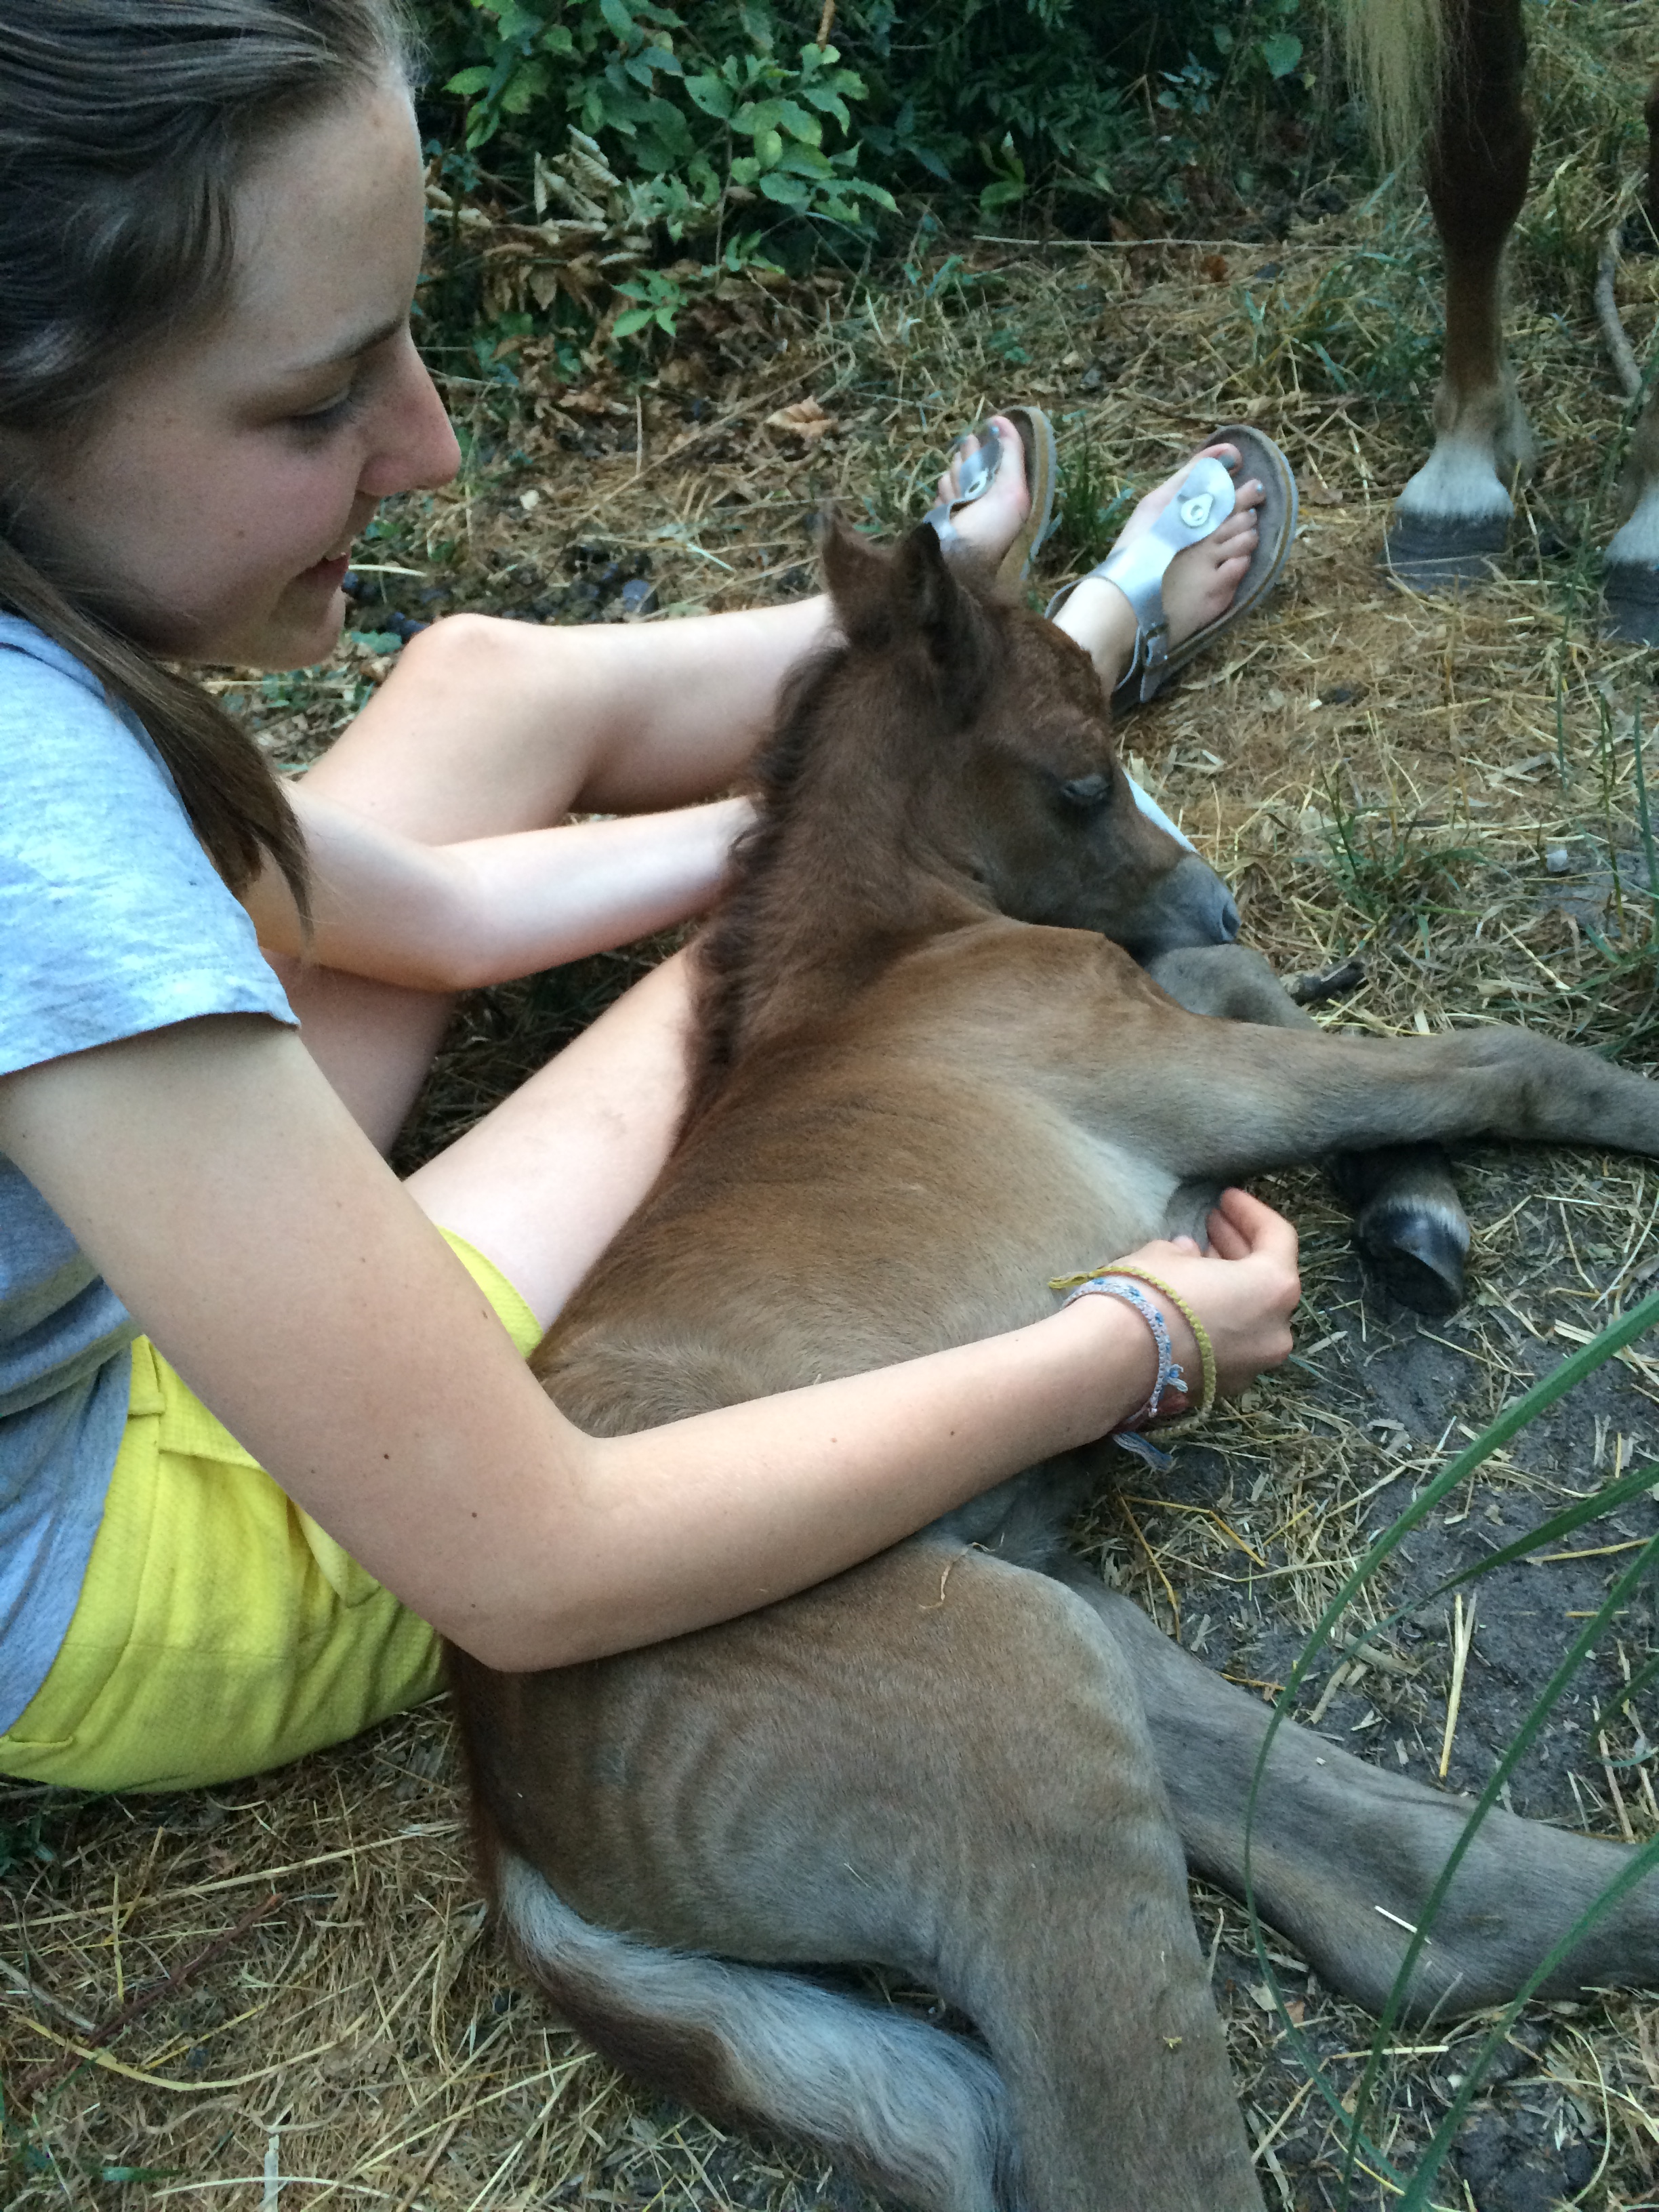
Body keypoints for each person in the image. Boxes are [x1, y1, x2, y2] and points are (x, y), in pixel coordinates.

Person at [0, 0, 1300, 1796]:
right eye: (318, 401)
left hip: (94, 1235)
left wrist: (808, 807)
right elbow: (541, 1561)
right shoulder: (33, 815)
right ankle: (1059, 669)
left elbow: (430, 922)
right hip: (143, 1556)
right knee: (775, 964)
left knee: (476, 679)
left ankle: (945, 637)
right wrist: (1131, 1344)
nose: (431, 446)